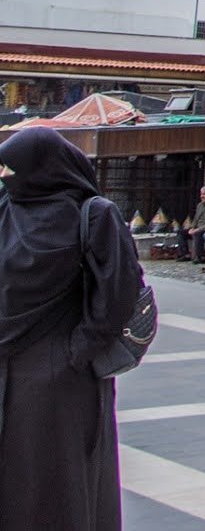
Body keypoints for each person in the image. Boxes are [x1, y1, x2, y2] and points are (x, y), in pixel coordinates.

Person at [0, 126, 142, 530]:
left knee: (57, 479)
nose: (6, 176)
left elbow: (118, 294)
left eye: (12, 168)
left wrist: (76, 352)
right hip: (9, 366)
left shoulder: (94, 215)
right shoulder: (7, 208)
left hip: (61, 377)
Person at [179, 185, 205, 261]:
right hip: (196, 228)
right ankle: (185, 254)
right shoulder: (199, 205)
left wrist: (198, 229)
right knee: (181, 232)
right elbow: (195, 219)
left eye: (204, 194)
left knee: (197, 234)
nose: (202, 196)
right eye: (201, 194)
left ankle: (201, 256)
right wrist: (192, 227)